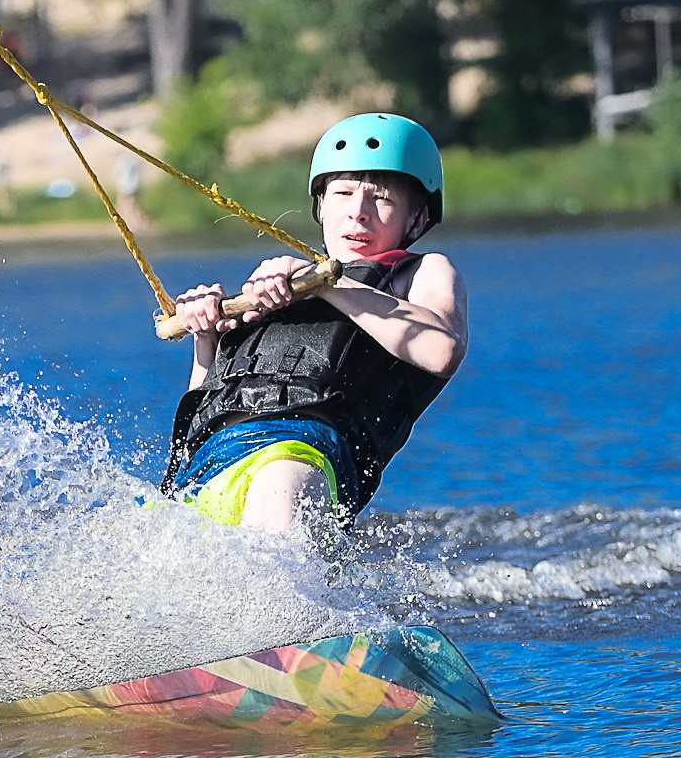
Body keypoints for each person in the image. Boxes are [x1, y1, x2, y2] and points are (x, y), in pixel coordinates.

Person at [162, 112, 468, 535]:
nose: (358, 213)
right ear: (321, 206)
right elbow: (200, 407)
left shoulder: (422, 272)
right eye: (343, 193)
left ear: (416, 219)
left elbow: (442, 349)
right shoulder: (280, 285)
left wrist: (324, 282)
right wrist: (206, 337)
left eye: (382, 199)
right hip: (204, 468)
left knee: (271, 542)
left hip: (301, 458)